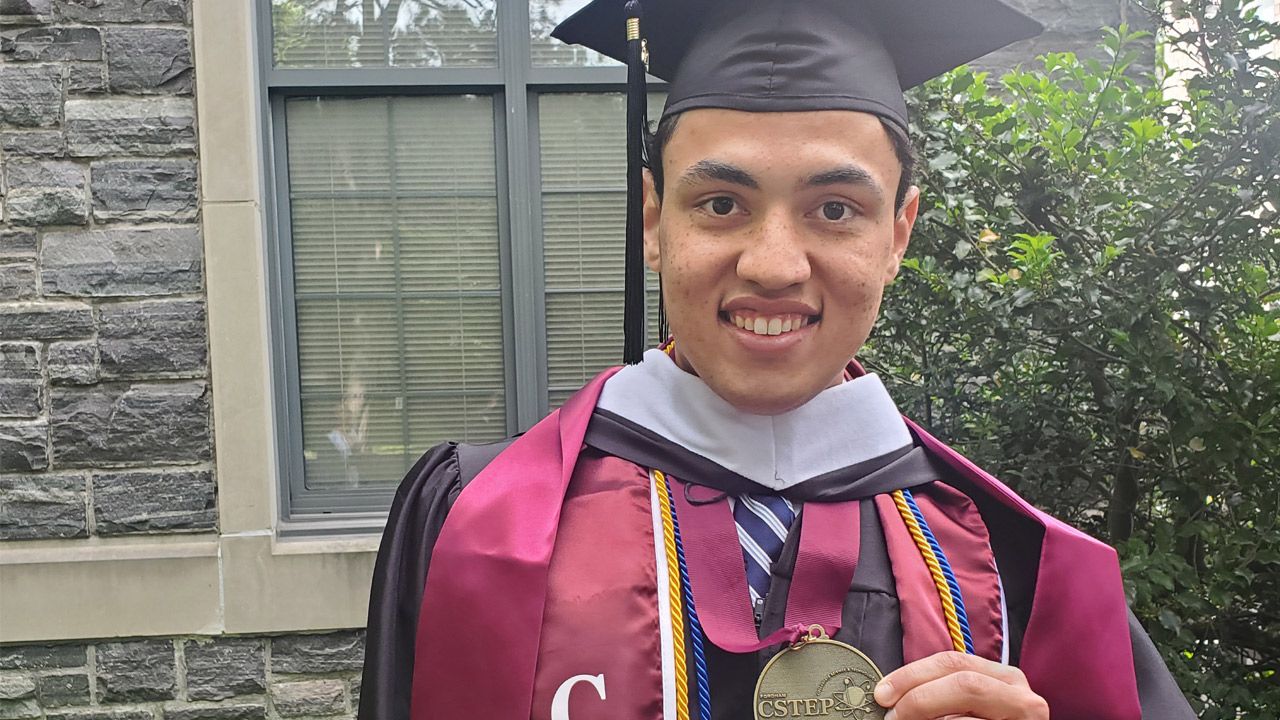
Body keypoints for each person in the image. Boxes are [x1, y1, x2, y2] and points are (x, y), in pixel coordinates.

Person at [358, 1, 1196, 718]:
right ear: (653, 219)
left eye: (835, 208)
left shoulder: (1020, 564)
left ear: (898, 233)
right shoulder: (475, 523)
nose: (772, 265)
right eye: (721, 204)